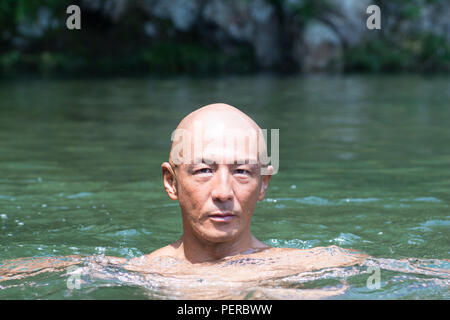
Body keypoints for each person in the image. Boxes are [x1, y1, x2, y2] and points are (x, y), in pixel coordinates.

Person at [0, 103, 368, 298]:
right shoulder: (141, 272)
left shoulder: (315, 266)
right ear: (171, 182)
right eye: (203, 171)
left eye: (242, 172)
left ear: (263, 184)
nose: (223, 191)